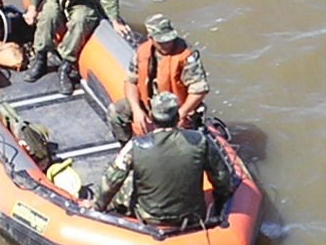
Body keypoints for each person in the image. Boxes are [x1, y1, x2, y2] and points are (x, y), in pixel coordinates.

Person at [87, 92, 233, 226]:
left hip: (148, 216)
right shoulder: (200, 141)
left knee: (124, 183)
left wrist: (96, 206)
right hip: (192, 216)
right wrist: (221, 204)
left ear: (151, 117)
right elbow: (222, 178)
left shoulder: (135, 146)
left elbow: (111, 181)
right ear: (177, 118)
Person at [107, 13, 210, 144]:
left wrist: (181, 114)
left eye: (169, 40)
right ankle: (128, 147)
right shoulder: (142, 52)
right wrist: (137, 110)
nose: (167, 45)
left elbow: (199, 90)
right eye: (162, 42)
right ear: (151, 38)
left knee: (176, 142)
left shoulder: (186, 56)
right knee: (116, 112)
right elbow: (130, 82)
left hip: (174, 111)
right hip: (149, 105)